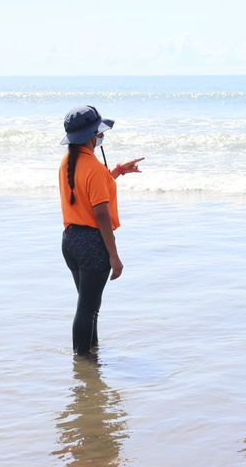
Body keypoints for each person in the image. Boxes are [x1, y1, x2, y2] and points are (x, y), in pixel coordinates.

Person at [58, 105, 144, 356]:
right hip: (92, 243)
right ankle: (84, 365)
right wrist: (114, 256)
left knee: (87, 305)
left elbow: (86, 191)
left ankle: (89, 356)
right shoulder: (93, 168)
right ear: (92, 136)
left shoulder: (67, 163)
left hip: (70, 240)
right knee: (88, 308)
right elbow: (100, 214)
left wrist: (116, 172)